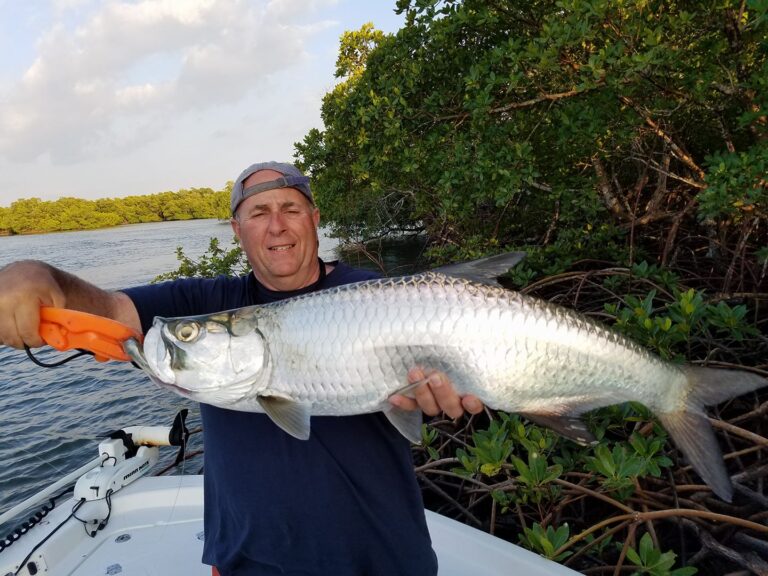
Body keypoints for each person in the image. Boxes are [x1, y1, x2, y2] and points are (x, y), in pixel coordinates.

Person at [0, 161, 484, 576]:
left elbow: (442, 383)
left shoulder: (378, 298)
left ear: (315, 219)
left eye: (290, 209)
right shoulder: (206, 303)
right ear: (237, 230)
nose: (277, 225)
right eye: (258, 212)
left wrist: (443, 396)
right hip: (249, 560)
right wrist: (35, 276)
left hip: (383, 556)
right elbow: (107, 309)